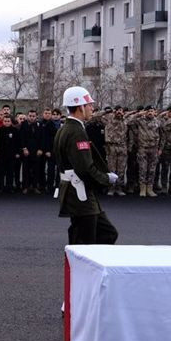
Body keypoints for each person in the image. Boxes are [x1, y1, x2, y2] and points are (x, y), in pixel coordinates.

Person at [54, 86, 118, 245]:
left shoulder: (67, 128)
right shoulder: (75, 131)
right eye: (89, 104)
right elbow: (84, 168)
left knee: (106, 233)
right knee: (84, 242)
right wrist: (106, 179)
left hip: (80, 192)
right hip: (79, 193)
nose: (92, 108)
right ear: (80, 107)